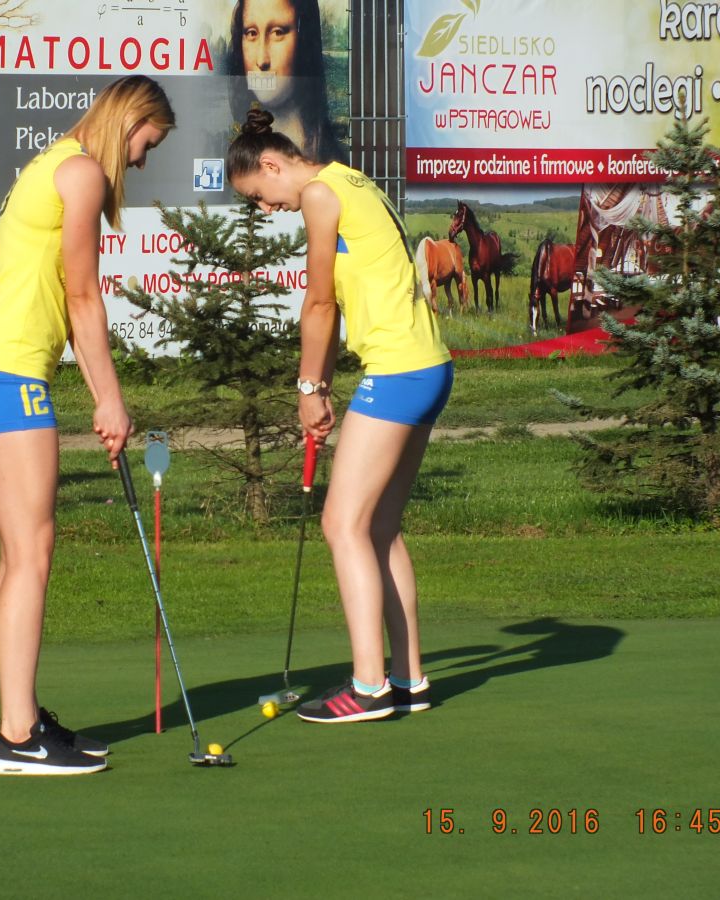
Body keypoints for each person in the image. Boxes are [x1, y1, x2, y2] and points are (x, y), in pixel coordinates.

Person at [0, 75, 175, 774]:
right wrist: (109, 400)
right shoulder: (80, 174)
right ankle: (20, 738)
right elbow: (82, 298)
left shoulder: (55, 161)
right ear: (129, 121)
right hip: (10, 377)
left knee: (19, 553)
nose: (141, 160)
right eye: (146, 143)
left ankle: (19, 718)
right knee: (33, 553)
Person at [228, 109, 453, 723]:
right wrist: (322, 383)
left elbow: (320, 303)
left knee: (340, 523)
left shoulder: (320, 195)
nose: (266, 209)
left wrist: (308, 388)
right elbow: (337, 304)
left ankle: (369, 686)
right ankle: (408, 679)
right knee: (379, 528)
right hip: (429, 366)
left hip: (400, 373)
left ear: (272, 165)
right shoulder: (351, 180)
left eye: (259, 196)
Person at [226, 0, 348, 165]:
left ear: (303, 40)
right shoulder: (230, 147)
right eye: (251, 33)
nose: (262, 60)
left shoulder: (331, 161)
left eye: (278, 32)